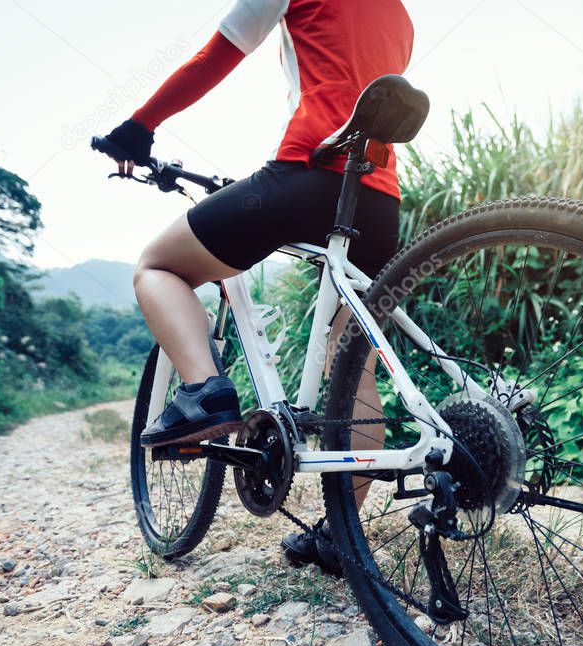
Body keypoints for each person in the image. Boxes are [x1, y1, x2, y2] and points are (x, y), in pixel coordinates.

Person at [98, 0, 415, 575]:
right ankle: (341, 531)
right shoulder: (399, 15)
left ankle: (204, 392)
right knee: (353, 370)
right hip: (380, 199)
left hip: (308, 174)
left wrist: (137, 127)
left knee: (156, 267)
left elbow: (214, 56)